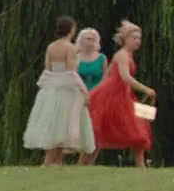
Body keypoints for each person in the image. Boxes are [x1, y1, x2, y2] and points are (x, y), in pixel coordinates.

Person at [23, 16, 96, 166]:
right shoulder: (70, 48)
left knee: (55, 124)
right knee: (63, 124)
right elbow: (71, 72)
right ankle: (50, 161)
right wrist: (83, 90)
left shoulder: (51, 47)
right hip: (66, 90)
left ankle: (56, 162)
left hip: (51, 89)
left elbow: (48, 69)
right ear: (72, 29)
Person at [90, 20, 157, 168]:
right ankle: (85, 165)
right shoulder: (122, 55)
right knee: (99, 131)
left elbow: (107, 75)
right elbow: (126, 77)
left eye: (139, 38)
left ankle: (141, 166)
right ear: (125, 39)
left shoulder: (127, 55)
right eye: (134, 38)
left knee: (139, 128)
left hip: (124, 96)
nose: (138, 41)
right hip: (114, 97)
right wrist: (146, 89)